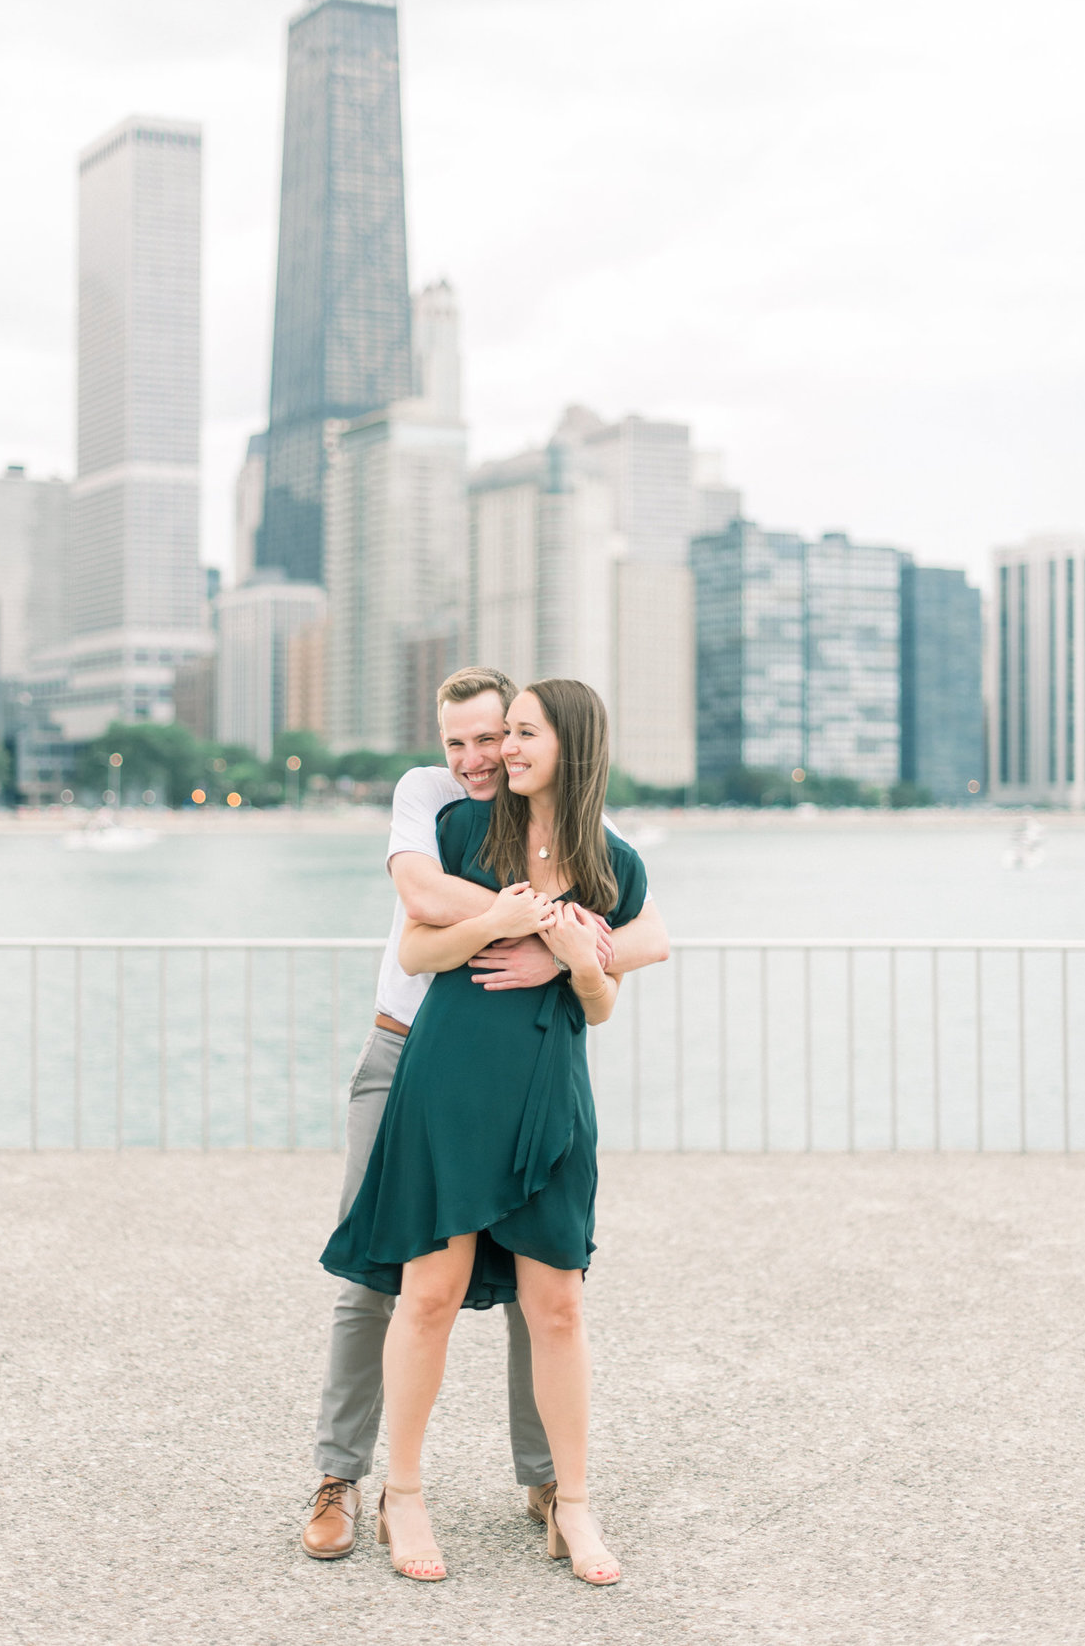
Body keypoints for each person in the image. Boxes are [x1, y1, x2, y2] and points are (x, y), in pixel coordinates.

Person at [302, 667, 668, 1563]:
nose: (491, 753)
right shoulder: (445, 812)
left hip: (543, 1087)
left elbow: (625, 968)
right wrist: (534, 920)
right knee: (395, 1285)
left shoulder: (608, 850)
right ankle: (362, 1480)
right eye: (474, 739)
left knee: (550, 1302)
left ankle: (559, 1491)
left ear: (559, 743)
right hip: (425, 1067)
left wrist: (569, 958)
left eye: (511, 734)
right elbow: (422, 922)